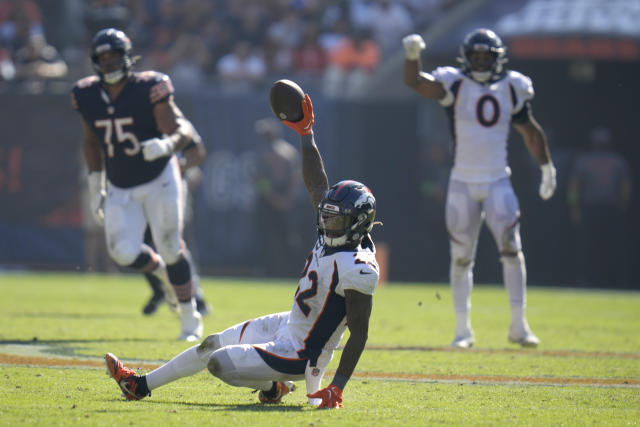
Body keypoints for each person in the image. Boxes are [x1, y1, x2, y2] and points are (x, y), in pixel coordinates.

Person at [105, 93, 380, 409]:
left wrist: (337, 386)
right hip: (289, 322)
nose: (328, 223)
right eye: (327, 216)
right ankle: (139, 385)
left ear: (358, 223)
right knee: (211, 344)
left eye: (337, 219)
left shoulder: (360, 267)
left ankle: (275, 385)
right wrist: (306, 136)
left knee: (219, 363)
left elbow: (358, 335)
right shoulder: (332, 230)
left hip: (303, 351)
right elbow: (317, 186)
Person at [402, 29, 557, 348]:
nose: (483, 62)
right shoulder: (455, 84)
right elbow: (415, 82)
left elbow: (530, 130)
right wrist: (411, 56)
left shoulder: (512, 87)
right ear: (466, 59)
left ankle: (519, 325)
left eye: (488, 56)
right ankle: (462, 330)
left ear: (498, 58)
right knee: (460, 258)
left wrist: (546, 166)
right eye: (477, 57)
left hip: (498, 179)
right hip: (462, 182)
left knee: (512, 250)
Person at [71, 28, 203, 341]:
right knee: (122, 252)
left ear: (128, 56)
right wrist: (95, 183)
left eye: (114, 55)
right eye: (103, 58)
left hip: (159, 177)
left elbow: (181, 130)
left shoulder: (149, 86)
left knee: (171, 246)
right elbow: (91, 142)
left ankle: (190, 318)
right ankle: (160, 273)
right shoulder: (86, 94)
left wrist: (167, 145)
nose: (109, 62)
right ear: (94, 62)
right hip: (120, 182)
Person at [141, 136, 211, 316]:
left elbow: (195, 173)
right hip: (149, 199)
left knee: (178, 248)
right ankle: (159, 290)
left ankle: (196, 297)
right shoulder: (144, 132)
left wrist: (178, 169)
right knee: (142, 246)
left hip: (173, 198)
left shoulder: (177, 135)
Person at [567, 126, 632, 288]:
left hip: (610, 208)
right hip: (591, 208)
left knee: (614, 246)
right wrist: (575, 208)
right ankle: (585, 279)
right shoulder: (585, 161)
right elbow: (574, 187)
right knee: (588, 246)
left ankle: (617, 280)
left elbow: (625, 186)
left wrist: (623, 206)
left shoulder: (616, 161)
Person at [252, 117, 302, 277]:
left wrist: (281, 199)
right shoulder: (283, 152)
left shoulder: (281, 153)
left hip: (278, 201)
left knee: (286, 238)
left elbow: (295, 178)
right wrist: (279, 199)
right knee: (269, 238)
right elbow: (259, 180)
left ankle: (287, 270)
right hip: (274, 201)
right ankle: (271, 270)